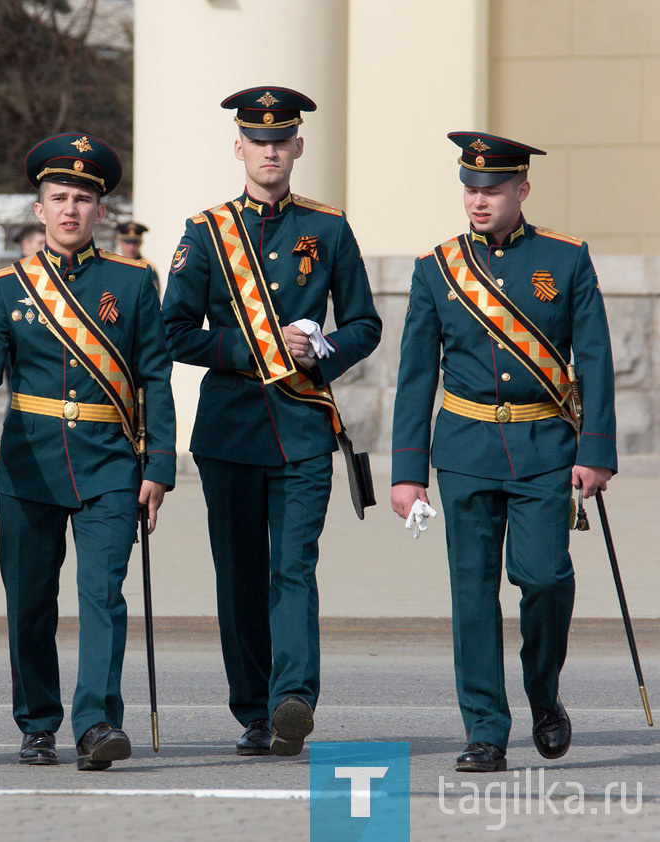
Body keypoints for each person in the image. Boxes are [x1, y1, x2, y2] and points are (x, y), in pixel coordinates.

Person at [162, 87, 382, 757]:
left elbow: (366, 324)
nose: (270, 150)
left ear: (297, 147)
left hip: (305, 427)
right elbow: (175, 332)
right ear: (240, 149)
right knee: (239, 575)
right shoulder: (206, 232)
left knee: (294, 566)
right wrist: (259, 348)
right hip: (229, 431)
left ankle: (294, 697)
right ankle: (254, 710)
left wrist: (321, 349)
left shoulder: (330, 227)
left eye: (281, 140)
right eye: (259, 141)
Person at [390, 132, 617, 773]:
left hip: (545, 445)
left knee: (544, 578)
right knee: (472, 592)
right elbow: (415, 374)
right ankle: (486, 729)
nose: (478, 200)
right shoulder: (437, 268)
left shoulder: (566, 259)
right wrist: (408, 472)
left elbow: (594, 360)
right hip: (464, 449)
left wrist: (595, 450)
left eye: (491, 189)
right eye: (470, 189)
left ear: (521, 189)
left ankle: (543, 693)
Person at [0, 132, 176, 770]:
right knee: (29, 600)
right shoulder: (8, 287)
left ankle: (97, 724)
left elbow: (154, 378)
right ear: (39, 209)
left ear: (100, 211)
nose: (71, 209)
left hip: (110, 464)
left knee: (103, 595)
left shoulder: (133, 283)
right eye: (59, 198)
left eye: (83, 198)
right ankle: (37, 721)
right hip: (27, 464)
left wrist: (158, 466)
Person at [114, 221, 159, 293]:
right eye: (127, 242)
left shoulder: (148, 268)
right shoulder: (113, 266)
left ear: (141, 243)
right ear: (119, 241)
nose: (131, 247)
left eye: (135, 243)